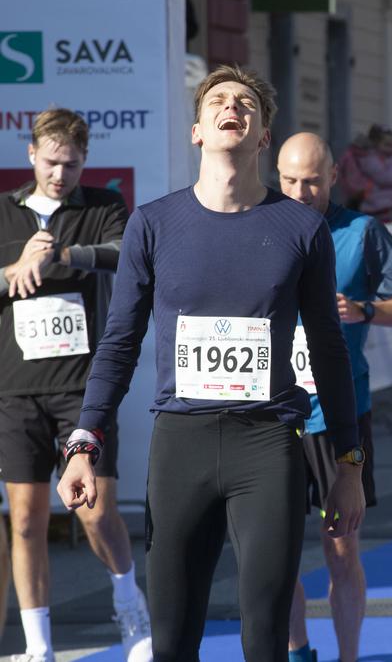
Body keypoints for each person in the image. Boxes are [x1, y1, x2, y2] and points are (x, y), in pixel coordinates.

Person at [55, 65, 366, 661]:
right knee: (173, 639)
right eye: (219, 100)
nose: (233, 108)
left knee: (266, 637)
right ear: (197, 130)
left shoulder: (301, 227)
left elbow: (328, 349)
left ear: (263, 136)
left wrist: (349, 461)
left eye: (247, 103)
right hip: (182, 443)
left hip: (268, 444)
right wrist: (83, 440)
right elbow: (119, 341)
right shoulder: (154, 222)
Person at [0, 108, 151, 662]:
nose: (59, 174)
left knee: (95, 512)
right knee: (24, 520)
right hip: (16, 388)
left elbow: (125, 256)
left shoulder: (102, 207)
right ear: (31, 154)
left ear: (85, 160)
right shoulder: (4, 213)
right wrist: (13, 269)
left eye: (71, 164)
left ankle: (130, 607)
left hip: (82, 390)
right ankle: (38, 645)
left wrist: (61, 255)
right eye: (50, 161)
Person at [277, 132, 392, 662]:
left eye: (312, 181)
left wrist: (366, 311)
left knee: (341, 549)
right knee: (277, 555)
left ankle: (347, 657)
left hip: (341, 414)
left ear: (335, 177)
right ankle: (298, 652)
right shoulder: (257, 226)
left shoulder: (360, 232)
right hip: (273, 417)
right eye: (290, 180)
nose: (300, 192)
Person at [358, 124, 392, 220]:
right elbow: (384, 179)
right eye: (387, 145)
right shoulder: (370, 160)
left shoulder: (391, 159)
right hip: (375, 205)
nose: (391, 149)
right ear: (376, 143)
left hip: (390, 204)